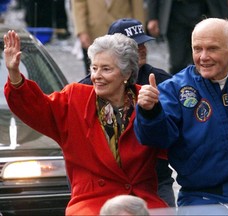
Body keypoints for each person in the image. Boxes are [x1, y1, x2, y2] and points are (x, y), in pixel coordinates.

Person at [3, 31, 168, 215]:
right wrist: (14, 74)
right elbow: (35, 108)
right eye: (94, 68)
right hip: (92, 202)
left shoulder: (145, 99)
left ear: (127, 74)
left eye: (106, 69)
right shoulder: (75, 98)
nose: (97, 76)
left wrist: (153, 112)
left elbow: (168, 143)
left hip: (140, 201)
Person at [134, 18, 228, 206]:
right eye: (197, 49)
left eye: (212, 48)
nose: (203, 56)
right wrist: (150, 112)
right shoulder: (175, 88)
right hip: (201, 196)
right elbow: (155, 139)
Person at [79, 18, 176, 207]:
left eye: (143, 44)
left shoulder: (162, 81)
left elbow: (176, 130)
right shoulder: (88, 87)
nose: (142, 49)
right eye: (134, 45)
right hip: (104, 183)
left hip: (156, 180)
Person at [71, 0, 145, 75]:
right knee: (95, 75)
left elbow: (137, 5)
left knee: (132, 73)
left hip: (125, 32)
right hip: (94, 31)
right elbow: (78, 3)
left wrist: (140, 31)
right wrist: (81, 30)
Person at [146, 0, 207, 74]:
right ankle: (178, 84)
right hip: (174, 14)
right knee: (177, 62)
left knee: (203, 59)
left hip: (201, 10)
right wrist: (152, 17)